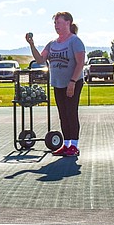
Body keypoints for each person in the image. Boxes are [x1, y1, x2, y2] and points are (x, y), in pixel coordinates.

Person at [26, 12, 86, 157]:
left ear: (68, 23)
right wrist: (32, 45)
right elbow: (40, 59)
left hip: (73, 82)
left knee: (71, 113)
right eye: (55, 23)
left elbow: (80, 63)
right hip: (58, 84)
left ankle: (74, 145)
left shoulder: (75, 41)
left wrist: (72, 82)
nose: (56, 26)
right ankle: (66, 145)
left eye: (58, 22)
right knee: (63, 115)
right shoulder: (53, 43)